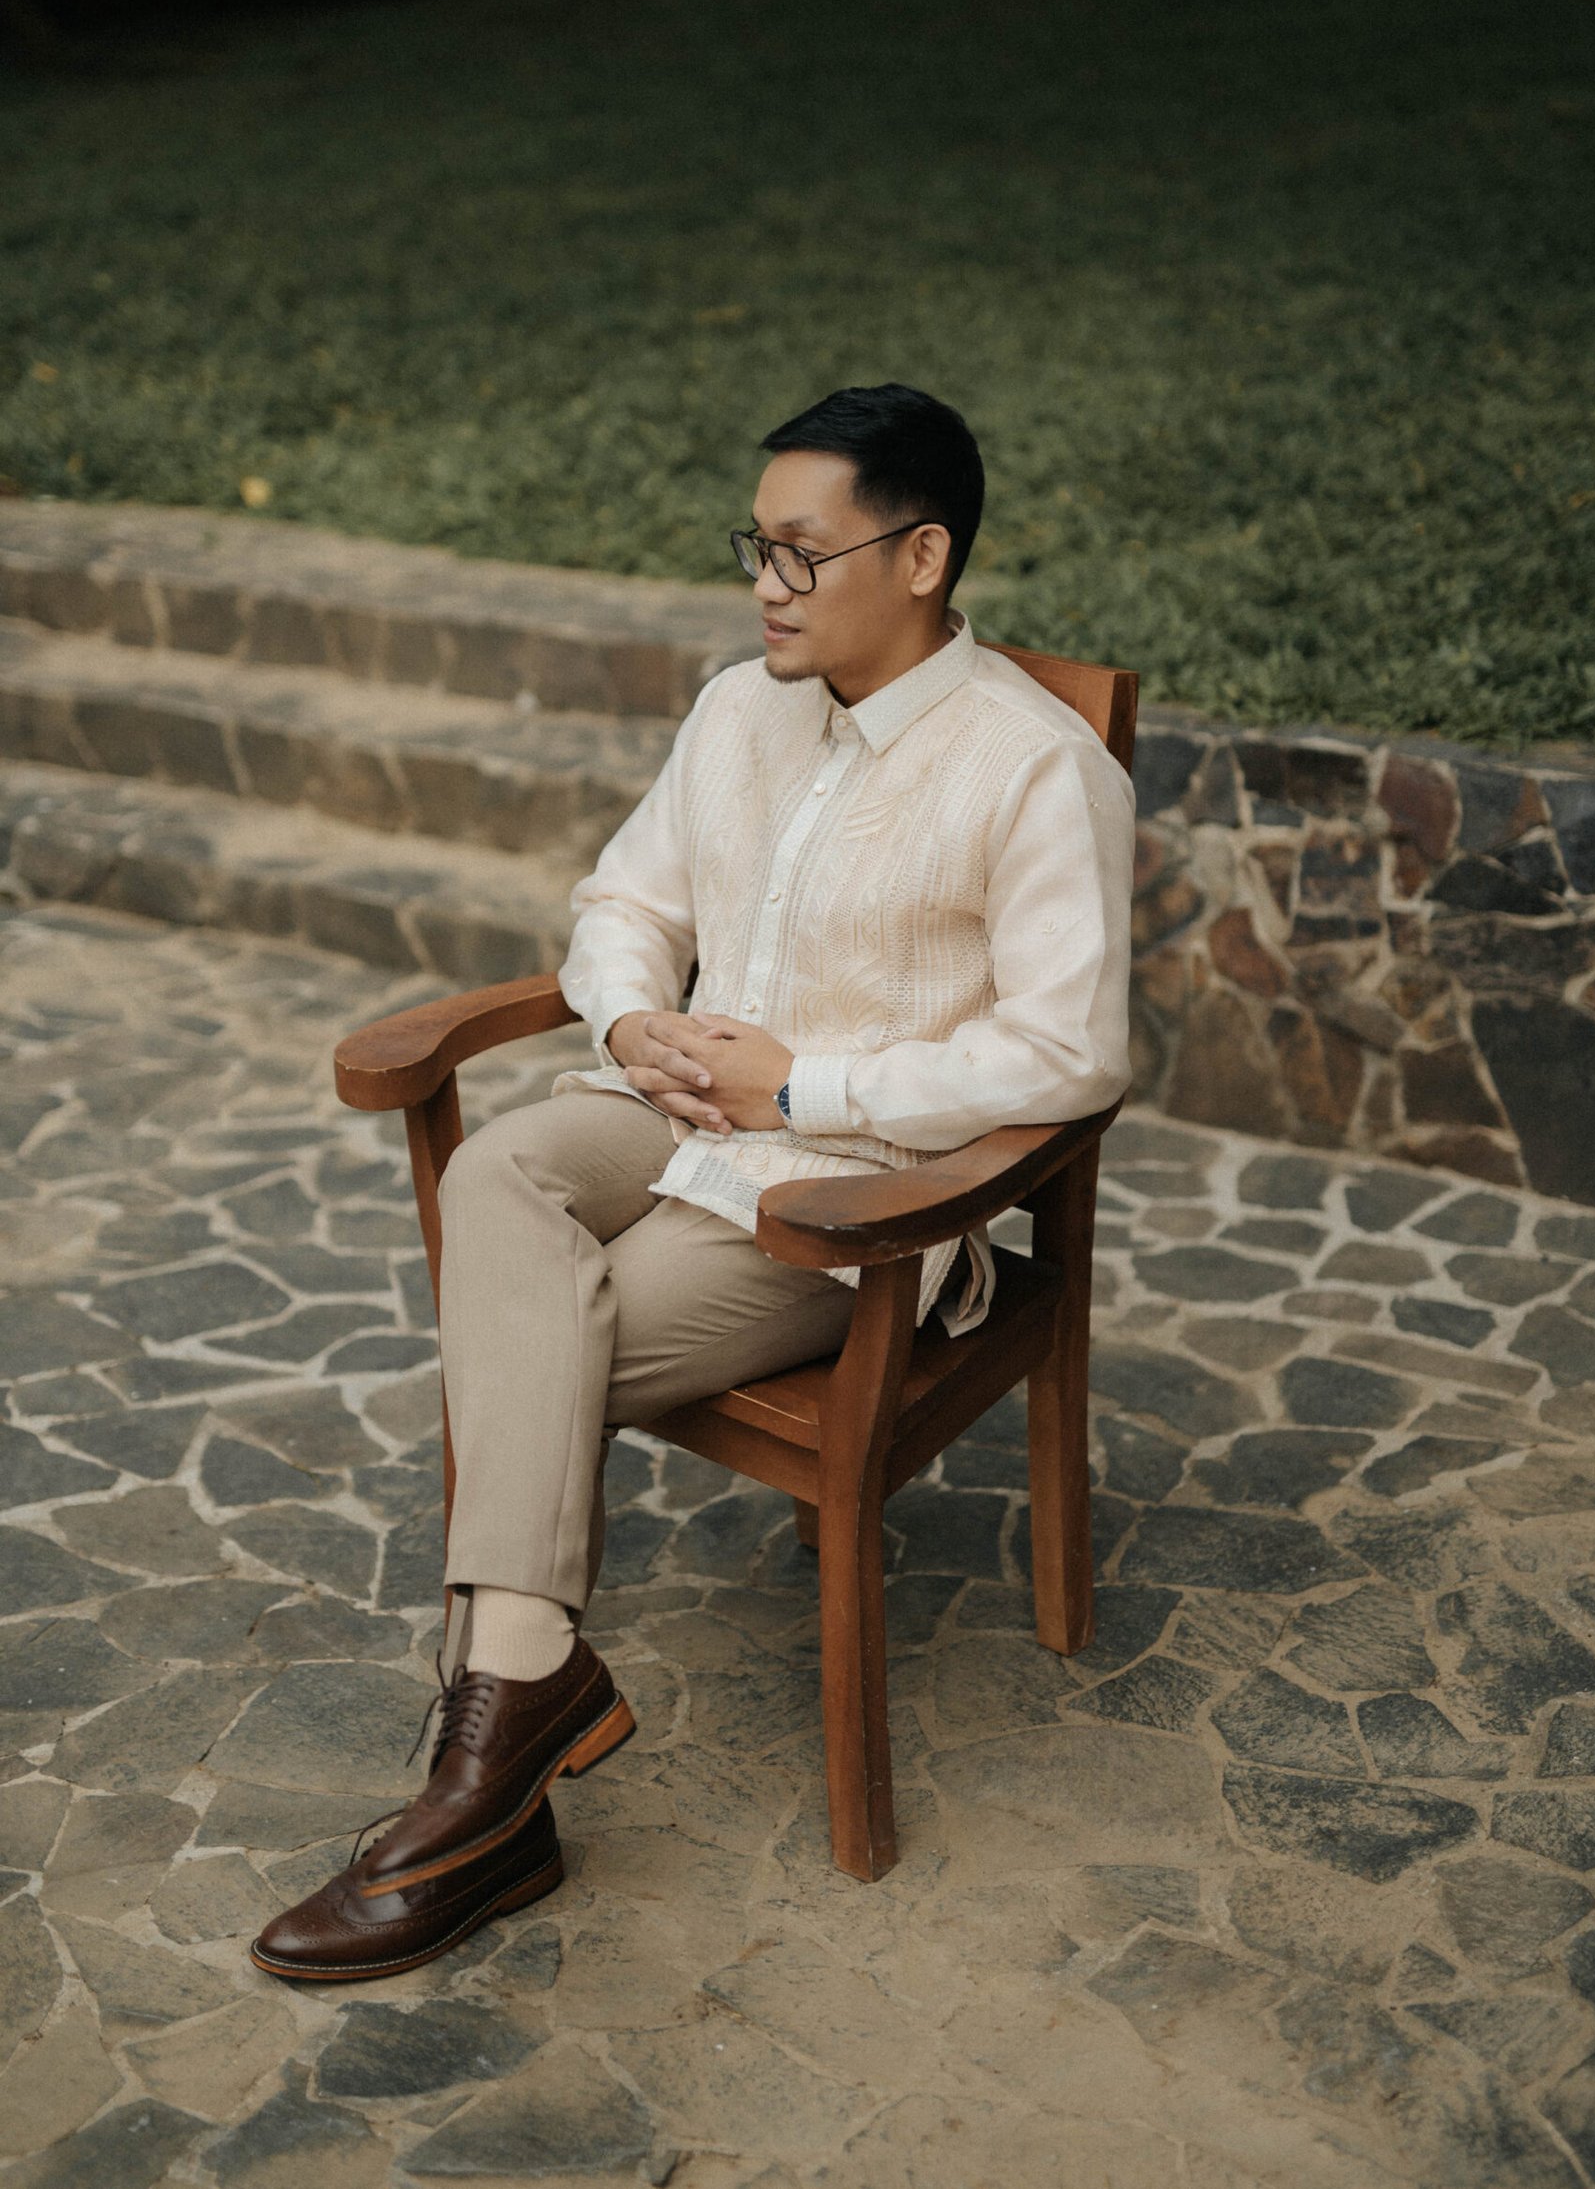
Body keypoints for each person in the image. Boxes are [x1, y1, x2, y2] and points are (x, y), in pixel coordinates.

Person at [250, 382, 1135, 1982]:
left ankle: (482, 1774)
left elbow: (1069, 1054)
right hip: (669, 1109)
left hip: (844, 1195)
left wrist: (802, 1086)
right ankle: (528, 1697)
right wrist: (628, 1017)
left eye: (803, 553)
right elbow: (624, 902)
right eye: (757, 548)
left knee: (541, 1337)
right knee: (502, 1173)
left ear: (922, 555)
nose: (766, 586)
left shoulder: (1034, 768)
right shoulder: (740, 711)